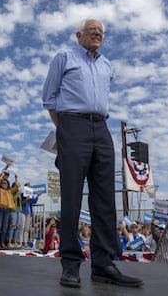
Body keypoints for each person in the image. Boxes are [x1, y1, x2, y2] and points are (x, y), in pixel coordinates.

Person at [42, 17, 143, 288]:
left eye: (101, 31)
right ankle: (71, 265)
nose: (97, 33)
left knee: (105, 200)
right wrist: (64, 130)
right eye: (92, 30)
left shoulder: (107, 65)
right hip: (72, 125)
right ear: (79, 35)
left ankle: (103, 265)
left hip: (101, 128)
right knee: (72, 197)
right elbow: (49, 98)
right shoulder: (64, 57)